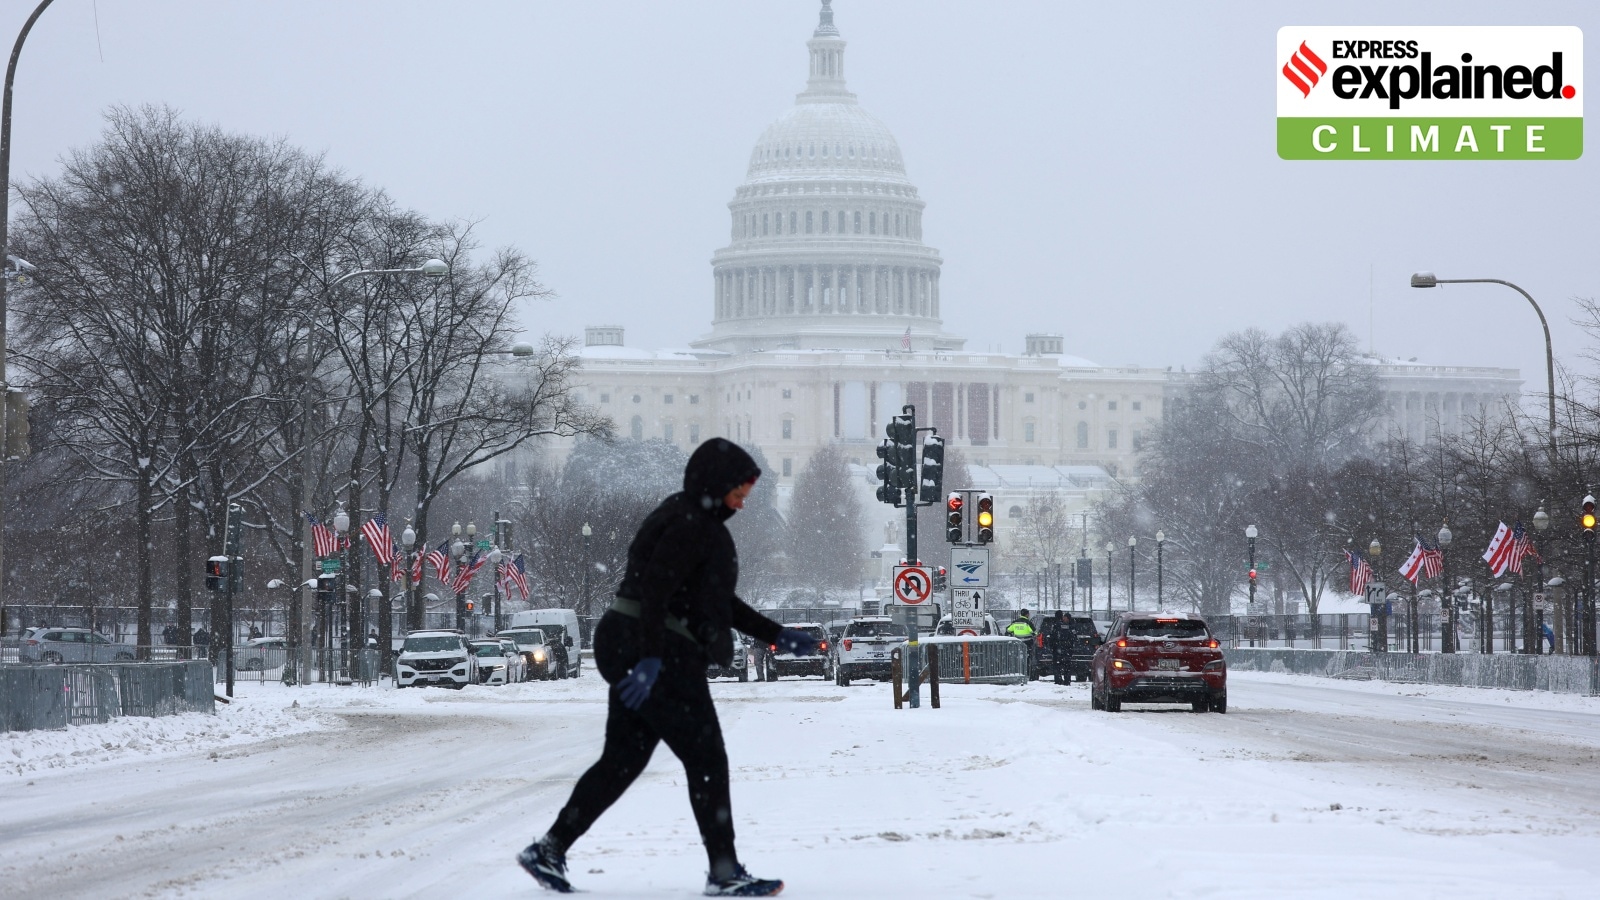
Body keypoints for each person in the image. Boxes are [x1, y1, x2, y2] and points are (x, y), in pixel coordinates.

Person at [518, 439, 815, 897]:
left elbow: (714, 598)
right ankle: (723, 871)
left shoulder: (689, 516)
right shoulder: (691, 523)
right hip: (656, 648)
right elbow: (655, 589)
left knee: (622, 761)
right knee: (707, 758)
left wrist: (775, 634)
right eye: (740, 490)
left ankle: (550, 848)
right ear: (717, 484)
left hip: (631, 641)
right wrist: (652, 659)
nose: (744, 500)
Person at [1006, 610, 1036, 679]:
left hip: (1018, 643)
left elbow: (1008, 630)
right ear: (1027, 614)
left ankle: (1018, 672)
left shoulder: (1015, 622)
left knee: (1017, 658)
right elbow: (1034, 632)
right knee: (1027, 659)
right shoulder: (1028, 623)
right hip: (1027, 643)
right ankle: (1027, 673)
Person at [1045, 611, 1073, 684]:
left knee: (1057, 665)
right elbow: (1072, 637)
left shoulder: (1056, 625)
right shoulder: (1068, 625)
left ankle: (1058, 680)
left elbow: (1052, 637)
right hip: (1067, 649)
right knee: (1067, 665)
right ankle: (1067, 680)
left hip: (1057, 648)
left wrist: (1052, 646)